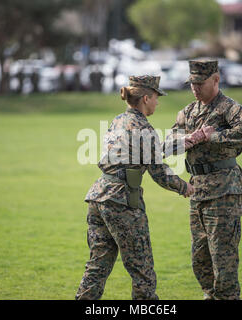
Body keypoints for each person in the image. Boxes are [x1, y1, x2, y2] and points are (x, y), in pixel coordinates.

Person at [76, 75, 194, 300]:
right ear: (146, 98)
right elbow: (159, 173)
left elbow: (136, 152)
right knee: (143, 271)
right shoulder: (144, 128)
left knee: (97, 266)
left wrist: (180, 142)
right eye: (157, 97)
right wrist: (184, 187)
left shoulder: (118, 120)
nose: (158, 103)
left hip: (98, 197)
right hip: (123, 201)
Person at [164, 60, 242, 300]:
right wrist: (188, 138)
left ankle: (227, 296)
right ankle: (211, 294)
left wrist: (213, 137)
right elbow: (166, 145)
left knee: (223, 254)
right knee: (200, 256)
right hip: (197, 189)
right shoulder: (187, 112)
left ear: (216, 80)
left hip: (225, 189)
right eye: (192, 83)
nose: (195, 88)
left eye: (200, 82)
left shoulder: (229, 108)